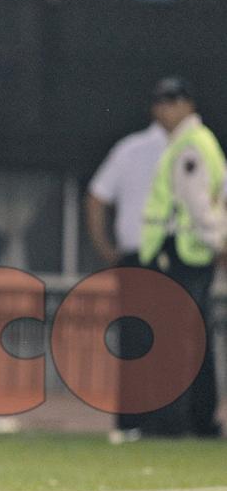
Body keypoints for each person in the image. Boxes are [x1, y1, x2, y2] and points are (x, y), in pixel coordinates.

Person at [138, 77, 224, 438]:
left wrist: (218, 243)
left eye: (170, 102)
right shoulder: (197, 142)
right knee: (195, 336)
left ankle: (172, 423)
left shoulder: (190, 146)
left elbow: (198, 203)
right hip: (193, 252)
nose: (163, 110)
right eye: (159, 102)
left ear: (187, 104)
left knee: (172, 337)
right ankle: (202, 419)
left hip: (181, 253)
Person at [86, 94, 170, 441]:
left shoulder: (194, 146)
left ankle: (163, 422)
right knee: (142, 339)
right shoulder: (132, 149)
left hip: (173, 255)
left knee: (161, 340)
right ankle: (139, 422)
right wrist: (106, 248)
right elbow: (97, 196)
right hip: (142, 255)